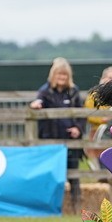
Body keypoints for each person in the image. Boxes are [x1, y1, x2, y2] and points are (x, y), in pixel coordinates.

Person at [30, 58, 84, 203]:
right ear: (53, 75)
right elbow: (38, 102)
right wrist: (35, 105)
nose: (62, 78)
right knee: (51, 174)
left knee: (73, 174)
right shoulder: (45, 91)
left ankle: (76, 205)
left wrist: (78, 128)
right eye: (59, 75)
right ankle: (50, 204)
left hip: (70, 141)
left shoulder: (73, 91)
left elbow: (81, 114)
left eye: (65, 75)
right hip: (50, 140)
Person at [84, 66, 112, 168]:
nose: (111, 81)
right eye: (109, 78)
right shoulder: (94, 95)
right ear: (103, 78)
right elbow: (89, 114)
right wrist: (103, 119)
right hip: (97, 132)